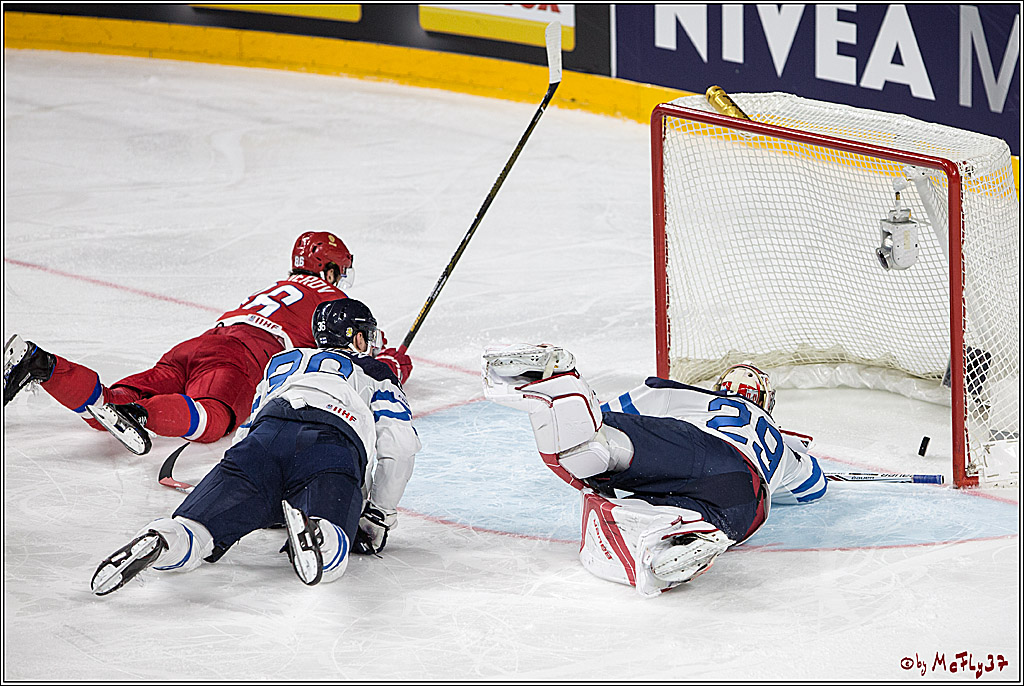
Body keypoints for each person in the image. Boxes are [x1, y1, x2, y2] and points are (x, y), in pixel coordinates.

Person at [90, 298, 420, 595]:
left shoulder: (282, 363)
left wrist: (250, 482)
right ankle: (318, 532)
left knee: (197, 529)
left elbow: (246, 430)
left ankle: (165, 539)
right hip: (330, 444)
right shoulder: (376, 371)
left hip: (264, 439)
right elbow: (400, 445)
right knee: (332, 558)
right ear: (357, 338)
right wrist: (379, 513)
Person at [3, 231, 413, 455]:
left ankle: (44, 364)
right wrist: (397, 363)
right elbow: (365, 353)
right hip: (241, 358)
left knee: (102, 407)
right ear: (328, 268)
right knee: (214, 417)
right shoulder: (334, 300)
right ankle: (139, 414)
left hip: (198, 345)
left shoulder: (278, 286)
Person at [482, 343, 827, 597]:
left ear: (720, 391)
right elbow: (813, 487)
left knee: (593, 447)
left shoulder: (691, 397)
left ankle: (555, 378)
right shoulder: (782, 447)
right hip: (747, 507)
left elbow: (611, 411)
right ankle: (673, 543)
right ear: (767, 403)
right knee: (671, 514)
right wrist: (788, 450)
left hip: (699, 450)